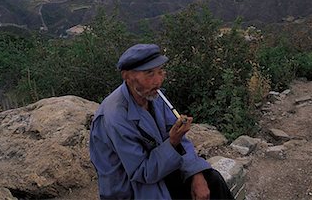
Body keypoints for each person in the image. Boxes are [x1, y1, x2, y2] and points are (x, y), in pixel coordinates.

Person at [89, 43, 234, 200]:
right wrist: (172, 142)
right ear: (127, 76)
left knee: (212, 181)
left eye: (160, 71)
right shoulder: (115, 117)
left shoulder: (153, 96)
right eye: (149, 73)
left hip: (159, 167)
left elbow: (181, 141)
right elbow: (141, 172)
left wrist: (196, 173)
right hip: (133, 187)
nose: (158, 81)